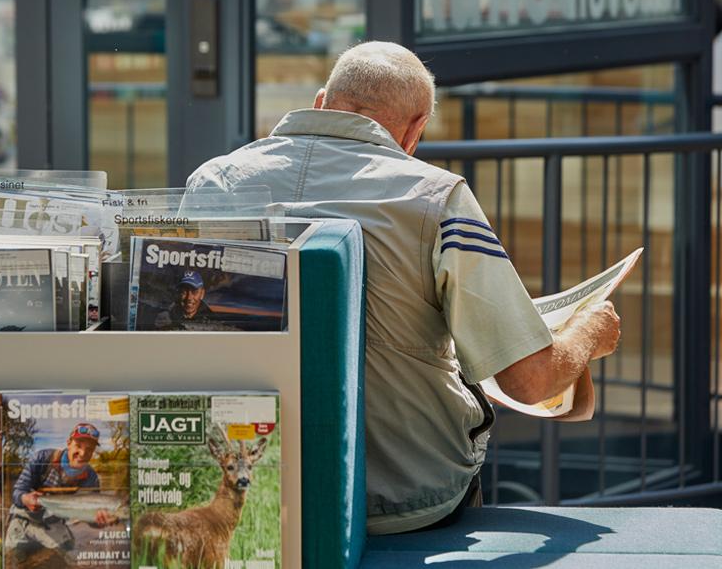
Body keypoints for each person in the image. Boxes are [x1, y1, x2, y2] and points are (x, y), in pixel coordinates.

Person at [186, 41, 621, 533]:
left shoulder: (212, 184)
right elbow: (530, 381)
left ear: (321, 101)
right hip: (404, 502)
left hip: (256, 496)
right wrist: (590, 332)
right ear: (415, 130)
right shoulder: (436, 196)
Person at [5, 423, 115, 556]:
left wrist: (99, 522)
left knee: (67, 552)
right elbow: (17, 492)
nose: (83, 453)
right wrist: (26, 498)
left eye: (89, 449)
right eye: (78, 446)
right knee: (14, 556)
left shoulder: (91, 478)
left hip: (52, 521)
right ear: (69, 443)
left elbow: (88, 518)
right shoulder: (41, 458)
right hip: (24, 517)